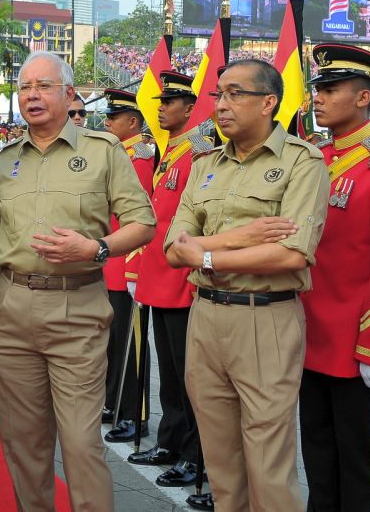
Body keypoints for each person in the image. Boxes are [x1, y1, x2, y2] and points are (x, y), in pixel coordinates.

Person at [0, 51, 156, 511]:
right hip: (11, 311)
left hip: (76, 309)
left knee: (80, 443)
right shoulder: (6, 159)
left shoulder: (103, 151)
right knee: (24, 445)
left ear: (69, 94)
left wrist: (95, 249)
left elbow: (142, 222)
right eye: (24, 87)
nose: (32, 95)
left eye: (43, 86)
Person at [165, 59, 330, 512]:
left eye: (236, 94)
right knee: (221, 465)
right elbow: (172, 246)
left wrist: (208, 254)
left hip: (266, 319)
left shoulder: (301, 161)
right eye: (219, 94)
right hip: (207, 317)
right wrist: (236, 240)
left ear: (268, 102)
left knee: (268, 467)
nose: (221, 105)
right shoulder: (204, 165)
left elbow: (291, 253)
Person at [299, 44, 370, 511]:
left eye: (330, 89)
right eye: (318, 88)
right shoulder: (314, 158)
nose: (317, 98)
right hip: (307, 332)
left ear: (363, 98)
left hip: (353, 339)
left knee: (362, 464)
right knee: (318, 455)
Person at [128, 71, 211, 489]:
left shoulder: (198, 151)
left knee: (188, 378)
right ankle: (171, 442)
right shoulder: (172, 149)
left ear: (190, 108)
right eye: (159, 102)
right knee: (169, 373)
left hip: (182, 281)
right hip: (161, 279)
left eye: (168, 103)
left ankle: (196, 457)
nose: (159, 108)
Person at [100, 88, 154, 443]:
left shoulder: (141, 158)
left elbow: (143, 217)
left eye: (113, 117)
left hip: (127, 263)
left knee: (131, 344)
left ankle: (136, 413)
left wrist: (134, 268)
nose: (106, 122)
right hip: (110, 263)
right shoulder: (119, 155)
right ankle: (113, 402)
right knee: (113, 340)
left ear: (132, 122)